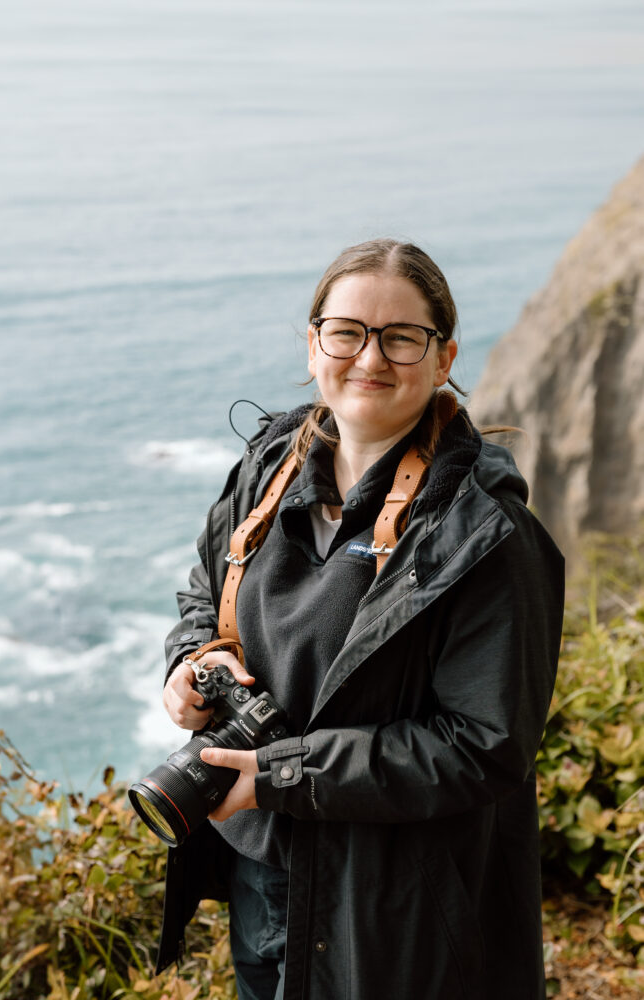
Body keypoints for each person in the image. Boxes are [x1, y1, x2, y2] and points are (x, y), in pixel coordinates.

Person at [156, 238, 565, 1000]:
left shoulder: (485, 538)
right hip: (262, 869)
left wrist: (282, 774)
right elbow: (201, 592)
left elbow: (484, 747)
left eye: (400, 337)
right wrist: (189, 661)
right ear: (313, 344)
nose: (369, 357)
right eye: (346, 331)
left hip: (392, 903)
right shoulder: (267, 468)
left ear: (443, 359)